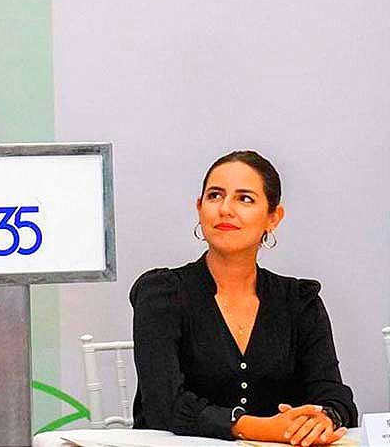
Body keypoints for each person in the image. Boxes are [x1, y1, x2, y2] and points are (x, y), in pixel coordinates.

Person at [130, 151, 357, 446]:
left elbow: (333, 394)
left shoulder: (300, 301)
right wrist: (259, 428)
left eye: (245, 199)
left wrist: (323, 419)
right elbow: (163, 405)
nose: (225, 209)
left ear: (273, 217)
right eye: (215, 196)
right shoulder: (161, 293)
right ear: (199, 208)